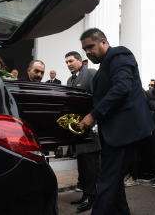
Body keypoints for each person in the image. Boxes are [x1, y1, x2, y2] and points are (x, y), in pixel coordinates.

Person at [78, 28, 155, 215]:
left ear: (103, 41)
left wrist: (93, 115)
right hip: (116, 132)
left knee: (106, 181)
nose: (87, 52)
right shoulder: (105, 64)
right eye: (84, 49)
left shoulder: (119, 54)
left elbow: (122, 87)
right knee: (114, 182)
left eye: (90, 46)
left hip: (124, 130)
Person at [65, 51, 101, 213]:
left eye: (71, 61)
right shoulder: (70, 79)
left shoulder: (91, 74)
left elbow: (98, 99)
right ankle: (86, 193)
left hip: (90, 126)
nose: (69, 64)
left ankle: (92, 196)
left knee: (91, 164)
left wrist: (93, 120)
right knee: (82, 165)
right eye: (66, 62)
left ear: (80, 60)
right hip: (77, 128)